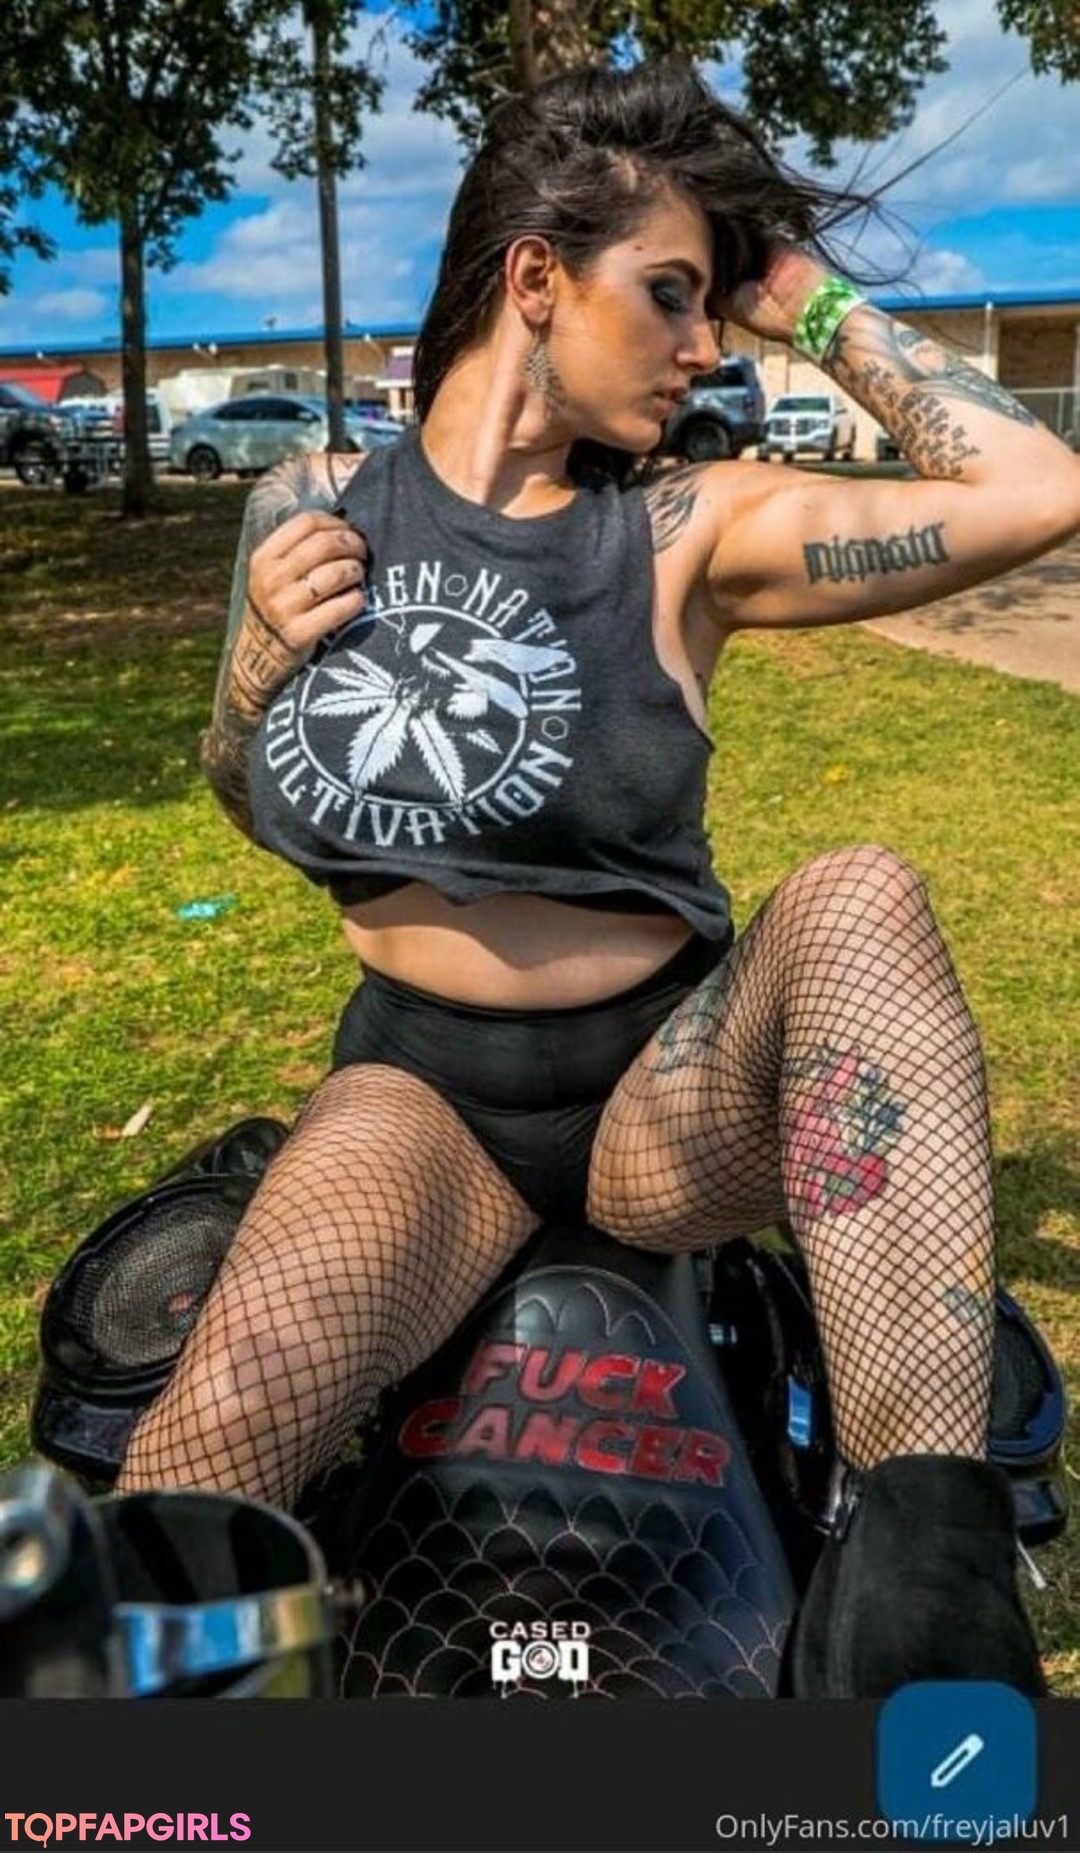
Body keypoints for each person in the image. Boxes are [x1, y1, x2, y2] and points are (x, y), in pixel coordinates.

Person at [116, 55, 1079, 1698]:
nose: (706, 345)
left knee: (858, 892)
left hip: (658, 1093)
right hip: (419, 1098)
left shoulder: (685, 529)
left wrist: (799, 294)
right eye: (673, 293)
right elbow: (247, 794)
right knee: (194, 1471)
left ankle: (927, 1607)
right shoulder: (308, 502)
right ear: (536, 279)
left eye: (715, 302)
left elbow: (1039, 489)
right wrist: (256, 671)